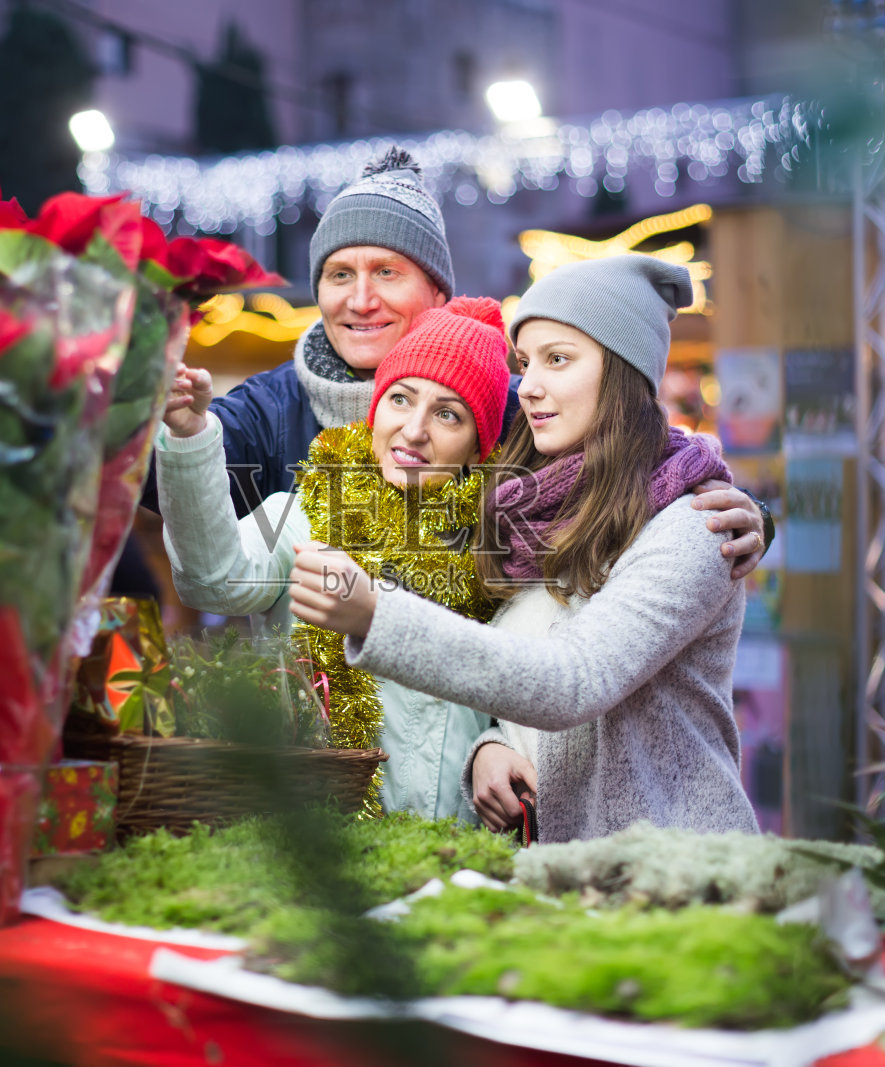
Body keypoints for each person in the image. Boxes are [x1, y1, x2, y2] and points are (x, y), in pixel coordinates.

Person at [129, 145, 771, 577]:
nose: (359, 299)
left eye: (387, 271)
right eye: (338, 274)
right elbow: (165, 490)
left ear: (438, 290)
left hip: (485, 751)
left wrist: (743, 510)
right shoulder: (269, 412)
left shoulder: (513, 402)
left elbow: (637, 455)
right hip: (311, 753)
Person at [289, 255, 760, 843]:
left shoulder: (696, 526)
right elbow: (530, 677)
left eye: (558, 359)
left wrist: (375, 615)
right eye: (526, 361)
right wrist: (491, 747)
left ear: (622, 372)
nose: (530, 386)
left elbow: (574, 680)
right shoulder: (534, 514)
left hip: (677, 884)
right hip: (560, 885)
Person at [154, 297, 514, 821]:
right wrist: (190, 438)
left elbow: (533, 684)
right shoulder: (301, 515)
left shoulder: (505, 551)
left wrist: (499, 742)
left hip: (461, 856)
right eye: (400, 399)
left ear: (478, 446)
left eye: (447, 414)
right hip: (322, 849)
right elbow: (212, 582)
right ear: (374, 412)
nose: (414, 430)